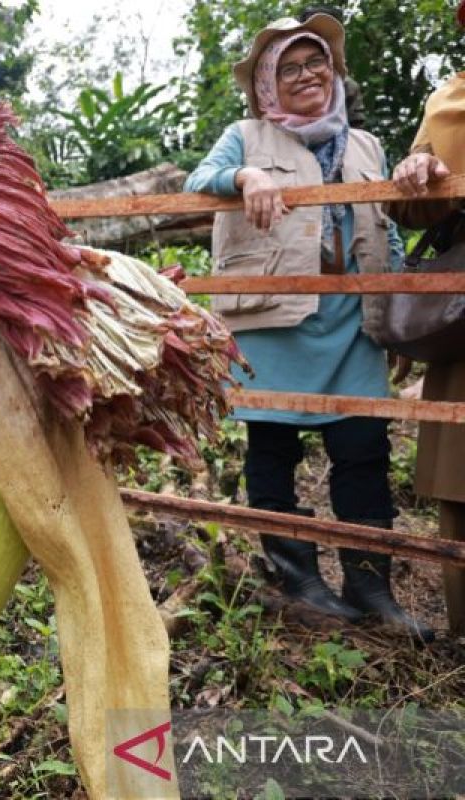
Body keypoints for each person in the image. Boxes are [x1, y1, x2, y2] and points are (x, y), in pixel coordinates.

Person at [183, 15, 433, 641]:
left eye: (315, 62)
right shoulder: (246, 135)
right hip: (275, 323)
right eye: (288, 68)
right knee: (274, 450)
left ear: (334, 70)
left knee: (364, 454)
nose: (306, 76)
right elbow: (195, 182)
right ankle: (301, 583)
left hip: (352, 324)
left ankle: (372, 589)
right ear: (267, 85)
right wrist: (246, 176)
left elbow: (388, 232)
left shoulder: (366, 146)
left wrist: (395, 315)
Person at [389, 0, 465, 637]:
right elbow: (407, 211)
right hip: (464, 314)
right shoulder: (446, 102)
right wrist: (418, 174)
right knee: (460, 476)